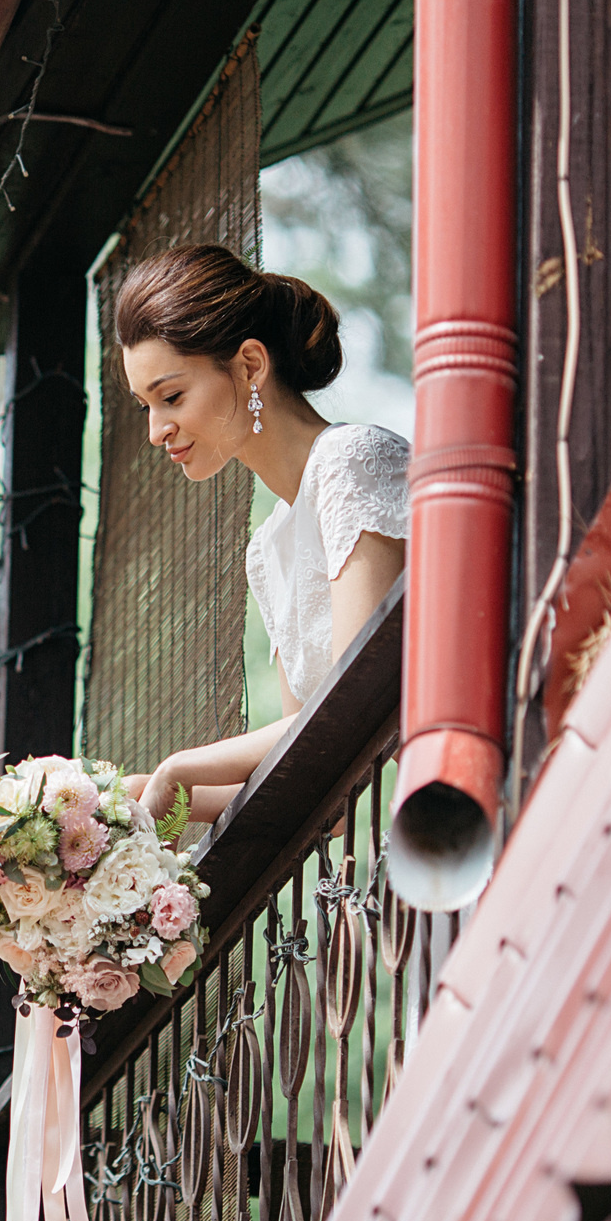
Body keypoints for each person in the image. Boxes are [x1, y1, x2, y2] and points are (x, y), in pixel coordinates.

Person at [115, 243, 409, 825]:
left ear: (250, 365)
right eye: (145, 405)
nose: (156, 430)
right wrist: (124, 798)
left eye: (170, 396)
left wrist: (182, 765)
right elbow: (314, 765)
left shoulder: (352, 461)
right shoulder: (267, 548)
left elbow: (354, 704)